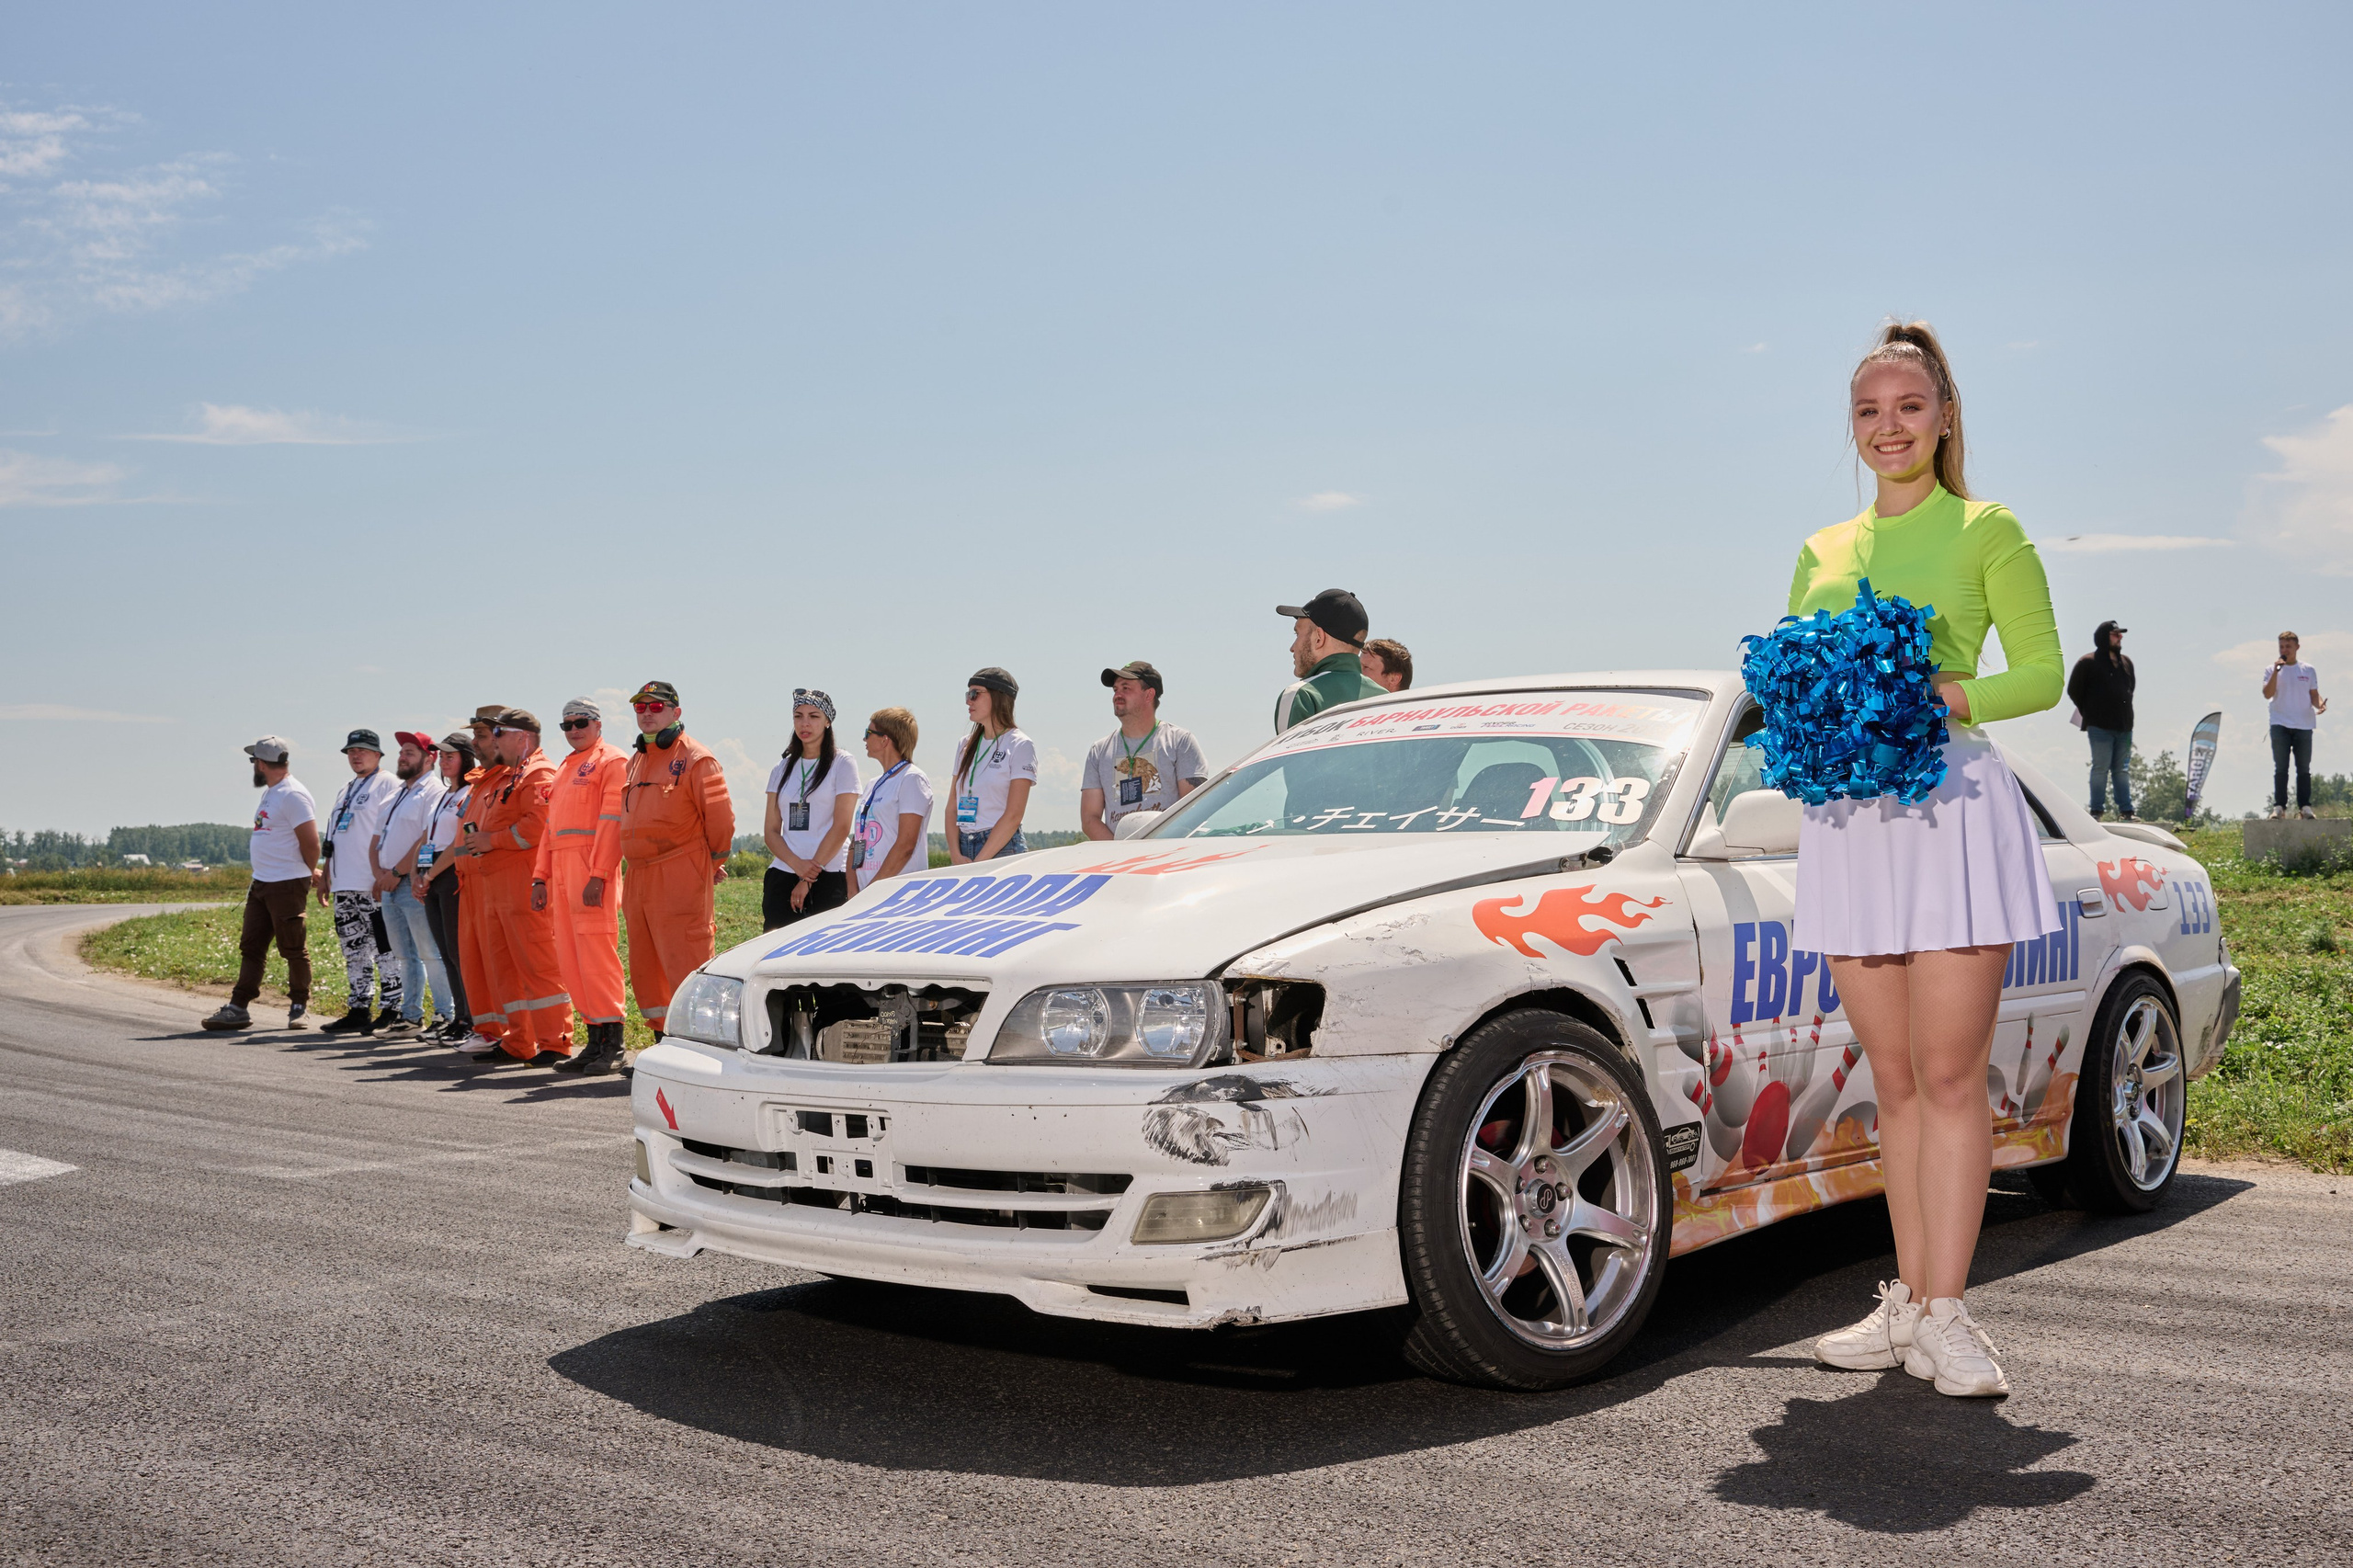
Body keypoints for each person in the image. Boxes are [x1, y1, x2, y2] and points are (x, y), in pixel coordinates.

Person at [1794, 322, 2063, 1399]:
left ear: (1944, 414)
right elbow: (1802, 678)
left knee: (1950, 1076)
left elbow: (2040, 674)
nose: (1888, 428)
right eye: (1868, 410)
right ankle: (1904, 1300)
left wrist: (1937, 694)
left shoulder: (1986, 528)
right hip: (1852, 824)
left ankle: (1948, 1313)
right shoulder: (1821, 548)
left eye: (1908, 406)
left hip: (1949, 805)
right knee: (1894, 1080)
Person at [619, 680, 736, 1046]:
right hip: (638, 876)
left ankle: (696, 1046)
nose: (647, 714)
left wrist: (706, 863)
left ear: (676, 713)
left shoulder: (699, 759)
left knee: (684, 960)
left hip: (679, 871)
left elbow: (721, 823)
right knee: (646, 966)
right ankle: (661, 1044)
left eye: (656, 707)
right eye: (641, 707)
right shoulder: (636, 760)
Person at [468, 710, 574, 1066]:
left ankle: (554, 1043)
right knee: (507, 971)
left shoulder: (539, 773)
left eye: (500, 733)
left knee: (539, 968)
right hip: (498, 890)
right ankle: (519, 1041)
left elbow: (536, 827)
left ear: (523, 737)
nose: (493, 740)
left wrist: (491, 840)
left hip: (525, 887)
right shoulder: (510, 775)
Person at [534, 698, 631, 1073]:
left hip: (591, 873)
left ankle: (614, 1043)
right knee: (571, 961)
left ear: (598, 724)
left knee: (597, 960)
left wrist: (600, 874)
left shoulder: (612, 761)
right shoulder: (564, 768)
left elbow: (612, 822)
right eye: (567, 725)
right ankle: (593, 1041)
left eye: (581, 723)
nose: (574, 730)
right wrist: (539, 876)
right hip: (560, 872)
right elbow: (549, 830)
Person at [202, 737, 319, 1031]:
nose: (254, 766)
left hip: (287, 883)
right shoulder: (273, 793)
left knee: (293, 947)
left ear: (262, 764)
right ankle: (238, 1007)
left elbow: (310, 841)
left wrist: (309, 872)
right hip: (262, 884)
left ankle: (299, 1007)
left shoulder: (293, 794)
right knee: (251, 947)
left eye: (254, 761)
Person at [315, 729, 404, 1035]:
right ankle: (358, 1007)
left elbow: (393, 832)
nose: (356, 755)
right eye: (351, 751)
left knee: (385, 948)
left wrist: (384, 874)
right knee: (354, 950)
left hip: (371, 884)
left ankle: (393, 1007)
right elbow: (334, 838)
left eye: (363, 750)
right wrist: (326, 875)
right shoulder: (346, 788)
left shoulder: (388, 783)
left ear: (378, 754)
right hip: (343, 884)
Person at [369, 732, 449, 1041]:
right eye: (401, 751)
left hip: (411, 882)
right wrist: (379, 874)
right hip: (388, 884)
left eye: (411, 752)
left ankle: (445, 1013)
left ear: (430, 758)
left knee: (430, 951)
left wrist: (399, 872)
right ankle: (411, 1016)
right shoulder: (394, 794)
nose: (403, 757)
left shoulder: (434, 791)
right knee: (404, 954)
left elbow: (424, 838)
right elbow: (376, 839)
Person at [762, 689, 861, 930]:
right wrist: (797, 866)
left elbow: (841, 827)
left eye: (814, 716)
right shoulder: (781, 768)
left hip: (829, 874)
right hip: (784, 872)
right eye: (798, 716)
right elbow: (771, 831)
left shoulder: (843, 764)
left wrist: (808, 876)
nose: (805, 723)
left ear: (828, 721)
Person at [1081, 660, 1208, 839]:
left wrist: (1159, 850)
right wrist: (1120, 854)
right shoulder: (1099, 751)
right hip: (1120, 860)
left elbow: (1194, 808)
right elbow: (1089, 819)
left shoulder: (1180, 741)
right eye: (1115, 689)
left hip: (1168, 855)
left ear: (1149, 695)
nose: (1117, 694)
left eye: (1126, 688)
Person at [451, 706, 514, 1056]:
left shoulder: (508, 778)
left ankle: (507, 1030)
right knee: (475, 963)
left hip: (493, 881)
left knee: (497, 963)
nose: (474, 744)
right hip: (470, 883)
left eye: (481, 736)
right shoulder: (481, 781)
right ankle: (488, 1029)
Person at [414, 731, 476, 1041]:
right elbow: (427, 837)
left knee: (457, 951)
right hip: (431, 872)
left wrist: (430, 874)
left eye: (451, 755)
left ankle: (471, 1019)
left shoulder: (470, 793)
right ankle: (459, 1017)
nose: (444, 760)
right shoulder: (442, 794)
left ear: (466, 757)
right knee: (445, 951)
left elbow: (457, 843)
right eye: (441, 755)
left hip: (450, 872)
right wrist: (417, 873)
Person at [946, 667, 1036, 863]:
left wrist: (979, 862)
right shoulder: (965, 744)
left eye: (974, 694)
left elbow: (1014, 815)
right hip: (963, 848)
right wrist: (955, 854)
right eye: (967, 694)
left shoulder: (1020, 745)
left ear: (998, 697)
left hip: (1002, 849)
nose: (968, 701)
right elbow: (952, 806)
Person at [1272, 589, 1387, 733]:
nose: (1292, 648)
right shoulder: (1387, 699)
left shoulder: (1300, 696)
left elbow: (1289, 756)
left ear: (1319, 638)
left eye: (1297, 634)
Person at [848, 707, 933, 894]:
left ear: (885, 739)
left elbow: (906, 845)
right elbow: (857, 840)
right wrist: (853, 889)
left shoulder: (912, 779)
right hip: (865, 894)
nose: (864, 739)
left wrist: (872, 890)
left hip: (899, 894)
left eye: (868, 733)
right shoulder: (872, 784)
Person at [2066, 620, 2136, 820]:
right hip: (2099, 727)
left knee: (2122, 770)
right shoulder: (2087, 662)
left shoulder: (2126, 662)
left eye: (2120, 634)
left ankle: (2127, 811)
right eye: (2115, 634)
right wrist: (2090, 712)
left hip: (2125, 726)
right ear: (2104, 636)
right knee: (2100, 768)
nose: (2120, 637)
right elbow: (2073, 690)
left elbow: (2130, 688)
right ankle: (2096, 811)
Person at [2263, 631, 2328, 819]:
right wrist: (2276, 671)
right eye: (2282, 646)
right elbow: (2267, 693)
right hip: (2280, 724)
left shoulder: (2308, 670)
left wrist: (2321, 704)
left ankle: (2305, 807)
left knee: (2304, 768)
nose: (2285, 650)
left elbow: (2314, 695)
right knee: (2281, 767)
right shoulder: (2271, 670)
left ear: (2297, 647)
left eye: (2288, 646)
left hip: (2304, 725)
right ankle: (2279, 807)